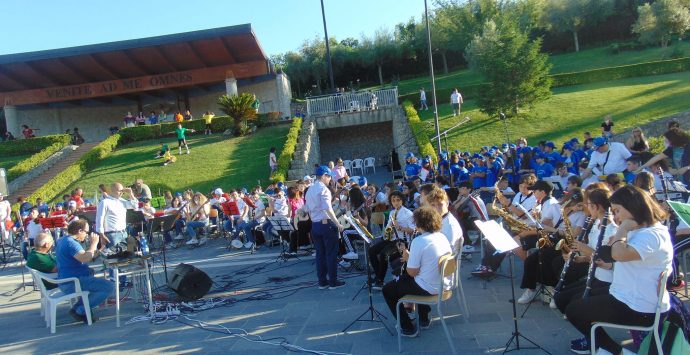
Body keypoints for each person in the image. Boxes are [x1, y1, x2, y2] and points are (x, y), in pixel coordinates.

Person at [565, 185, 673, 355]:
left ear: (633, 207)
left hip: (640, 307)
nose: (615, 216)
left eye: (617, 211)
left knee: (574, 311)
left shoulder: (652, 234)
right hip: (628, 296)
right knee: (573, 302)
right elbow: (613, 256)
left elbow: (620, 254)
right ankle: (604, 347)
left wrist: (621, 231)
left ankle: (616, 351)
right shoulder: (641, 230)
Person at [382, 206, 453, 337]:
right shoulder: (442, 236)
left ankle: (408, 328)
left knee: (388, 289)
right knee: (405, 278)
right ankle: (424, 319)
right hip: (444, 284)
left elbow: (411, 272)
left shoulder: (419, 241)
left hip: (430, 287)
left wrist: (409, 258)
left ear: (418, 223)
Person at [57, 219, 114, 323]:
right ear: (79, 231)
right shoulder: (71, 243)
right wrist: (93, 244)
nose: (87, 235)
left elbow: (85, 256)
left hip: (67, 280)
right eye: (86, 232)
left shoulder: (63, 240)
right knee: (109, 286)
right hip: (73, 282)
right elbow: (85, 258)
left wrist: (100, 250)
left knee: (98, 283)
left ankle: (78, 309)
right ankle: (80, 310)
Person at [305, 166, 346, 290]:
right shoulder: (324, 189)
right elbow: (327, 208)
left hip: (315, 225)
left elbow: (306, 207)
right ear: (323, 176)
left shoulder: (310, 189)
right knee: (331, 254)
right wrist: (337, 224)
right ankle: (333, 282)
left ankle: (322, 282)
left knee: (320, 255)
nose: (330, 179)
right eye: (328, 176)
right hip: (326, 224)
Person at [370, 190, 415, 290]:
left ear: (402, 200)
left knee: (383, 254)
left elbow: (412, 230)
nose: (396, 202)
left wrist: (400, 228)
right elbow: (389, 228)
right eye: (393, 200)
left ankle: (380, 281)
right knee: (372, 250)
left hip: (402, 241)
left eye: (398, 200)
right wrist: (387, 231)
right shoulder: (392, 212)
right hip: (392, 238)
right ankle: (378, 275)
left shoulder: (408, 213)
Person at [95, 183, 138, 253]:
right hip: (112, 234)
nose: (121, 193)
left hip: (124, 232)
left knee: (128, 255)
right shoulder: (105, 202)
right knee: (115, 257)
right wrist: (101, 234)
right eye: (119, 191)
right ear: (112, 190)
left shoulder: (122, 201)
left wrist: (130, 193)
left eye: (122, 191)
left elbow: (135, 206)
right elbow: (99, 218)